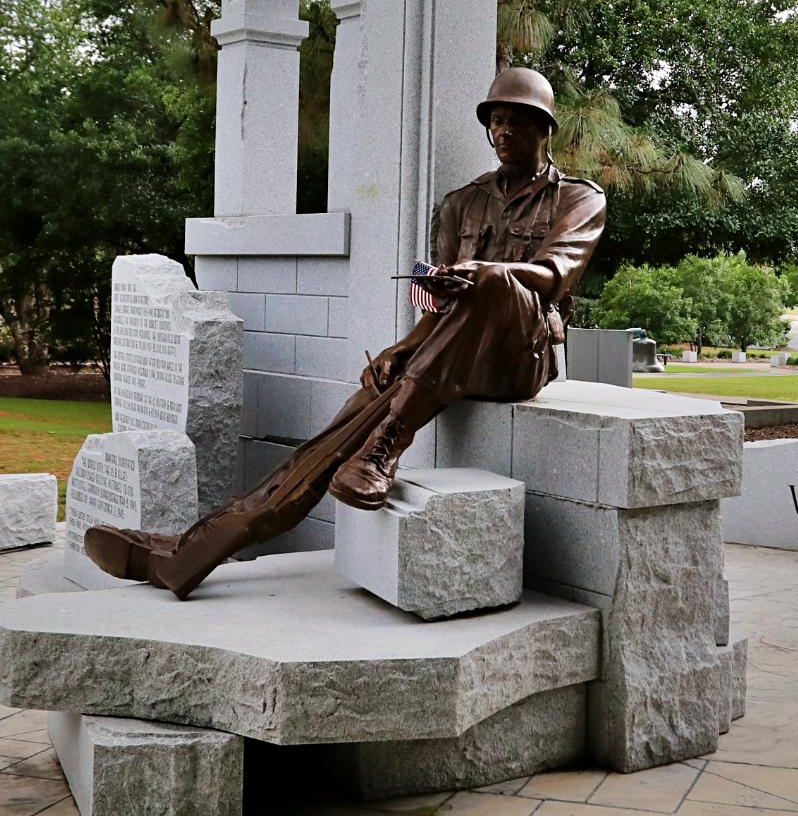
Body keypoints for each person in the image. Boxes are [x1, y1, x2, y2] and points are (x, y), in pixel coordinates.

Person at [85, 65, 605, 599]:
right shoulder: (461, 203)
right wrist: (400, 349)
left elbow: (552, 276)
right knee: (323, 450)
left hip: (516, 360)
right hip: (447, 354)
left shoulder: (578, 199)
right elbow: (440, 302)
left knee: (492, 283)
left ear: (545, 129)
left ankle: (386, 446)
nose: (503, 131)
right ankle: (192, 550)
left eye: (517, 121)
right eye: (495, 121)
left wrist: (486, 273)